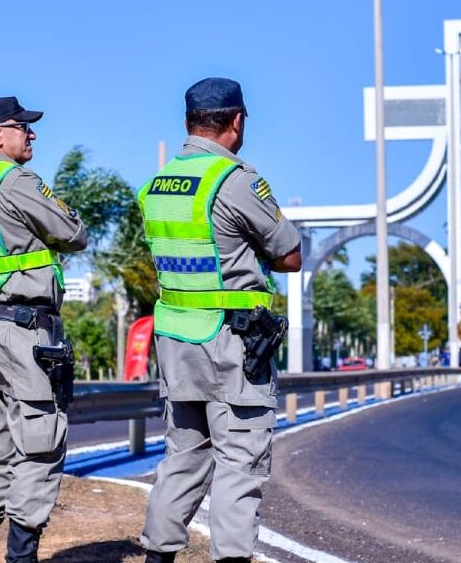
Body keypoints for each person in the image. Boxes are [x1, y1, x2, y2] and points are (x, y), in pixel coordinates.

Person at [138, 78, 302, 563]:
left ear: (190, 122)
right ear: (236, 120)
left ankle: (157, 556)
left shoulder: (158, 185)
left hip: (175, 341)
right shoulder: (234, 181)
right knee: (239, 462)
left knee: (184, 458)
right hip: (231, 344)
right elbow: (290, 255)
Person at [0, 96, 87, 563]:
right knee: (40, 443)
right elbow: (73, 232)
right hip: (21, 329)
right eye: (22, 127)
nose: (31, 134)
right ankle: (22, 557)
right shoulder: (14, 179)